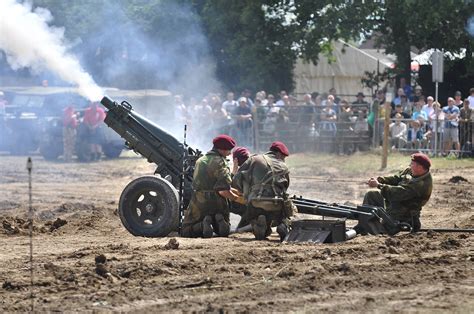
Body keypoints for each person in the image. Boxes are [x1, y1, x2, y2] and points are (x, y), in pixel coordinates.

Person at [232, 141, 296, 241]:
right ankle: (283, 224)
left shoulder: (254, 159)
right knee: (285, 201)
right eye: (283, 157)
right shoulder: (284, 166)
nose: (283, 159)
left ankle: (257, 222)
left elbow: (237, 180)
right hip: (277, 204)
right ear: (278, 154)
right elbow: (286, 186)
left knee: (255, 214)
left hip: (255, 202)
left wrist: (245, 192)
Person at [182, 135, 241, 238]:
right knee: (224, 231)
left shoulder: (200, 160)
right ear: (222, 150)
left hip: (199, 201)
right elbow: (223, 190)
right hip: (218, 203)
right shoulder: (221, 162)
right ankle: (220, 222)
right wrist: (238, 199)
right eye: (228, 150)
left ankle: (201, 225)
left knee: (186, 231)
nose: (230, 153)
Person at [363, 153, 433, 232]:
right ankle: (365, 223)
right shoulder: (412, 171)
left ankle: (393, 225)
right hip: (395, 205)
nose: (410, 165)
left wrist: (378, 185)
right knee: (371, 195)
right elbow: (397, 178)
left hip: (404, 214)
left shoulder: (422, 184)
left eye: (412, 164)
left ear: (420, 167)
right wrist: (380, 180)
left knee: (383, 230)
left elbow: (397, 193)